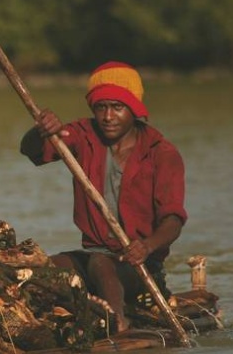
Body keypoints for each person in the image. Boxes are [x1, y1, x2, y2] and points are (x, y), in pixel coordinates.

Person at [19, 61, 187, 333]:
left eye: (117, 107)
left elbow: (173, 219)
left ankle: (118, 324)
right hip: (96, 254)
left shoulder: (161, 153)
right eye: (101, 107)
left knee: (101, 264)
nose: (108, 116)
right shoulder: (83, 135)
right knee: (46, 268)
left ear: (134, 110)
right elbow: (31, 151)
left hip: (141, 265)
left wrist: (146, 246)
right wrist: (41, 131)